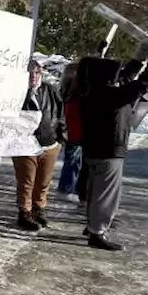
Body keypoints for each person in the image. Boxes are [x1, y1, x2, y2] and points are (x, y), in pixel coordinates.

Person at [77, 35, 148, 252]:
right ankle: (97, 231)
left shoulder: (92, 91)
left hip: (93, 149)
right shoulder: (112, 96)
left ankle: (92, 225)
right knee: (106, 194)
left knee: (94, 191)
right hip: (110, 151)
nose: (118, 76)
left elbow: (127, 78)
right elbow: (144, 83)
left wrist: (140, 56)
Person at [12, 60, 66, 231]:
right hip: (24, 145)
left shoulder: (50, 90)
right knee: (26, 181)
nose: (33, 76)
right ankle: (24, 213)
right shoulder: (16, 92)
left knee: (43, 181)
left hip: (49, 143)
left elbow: (61, 113)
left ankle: (39, 209)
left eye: (36, 72)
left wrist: (61, 139)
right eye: (29, 73)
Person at [56, 63, 83, 203]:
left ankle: (69, 187)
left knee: (74, 161)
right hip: (75, 131)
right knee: (73, 161)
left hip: (72, 130)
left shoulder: (66, 90)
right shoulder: (76, 91)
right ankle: (66, 188)